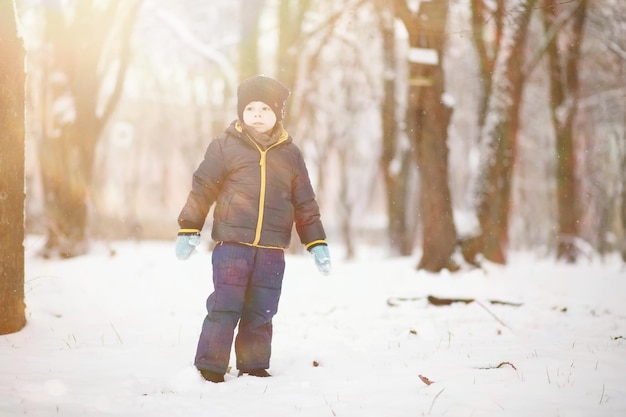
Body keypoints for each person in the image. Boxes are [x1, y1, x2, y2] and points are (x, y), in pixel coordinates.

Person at [175, 75, 331, 383]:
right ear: (240, 112)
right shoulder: (224, 146)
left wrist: (317, 242)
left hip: (272, 249)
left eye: (264, 108)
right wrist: (189, 227)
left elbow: (305, 202)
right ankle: (210, 366)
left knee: (262, 310)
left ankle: (254, 365)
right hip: (232, 246)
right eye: (250, 109)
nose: (256, 114)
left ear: (277, 114)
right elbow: (203, 188)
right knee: (225, 305)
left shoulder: (290, 154)